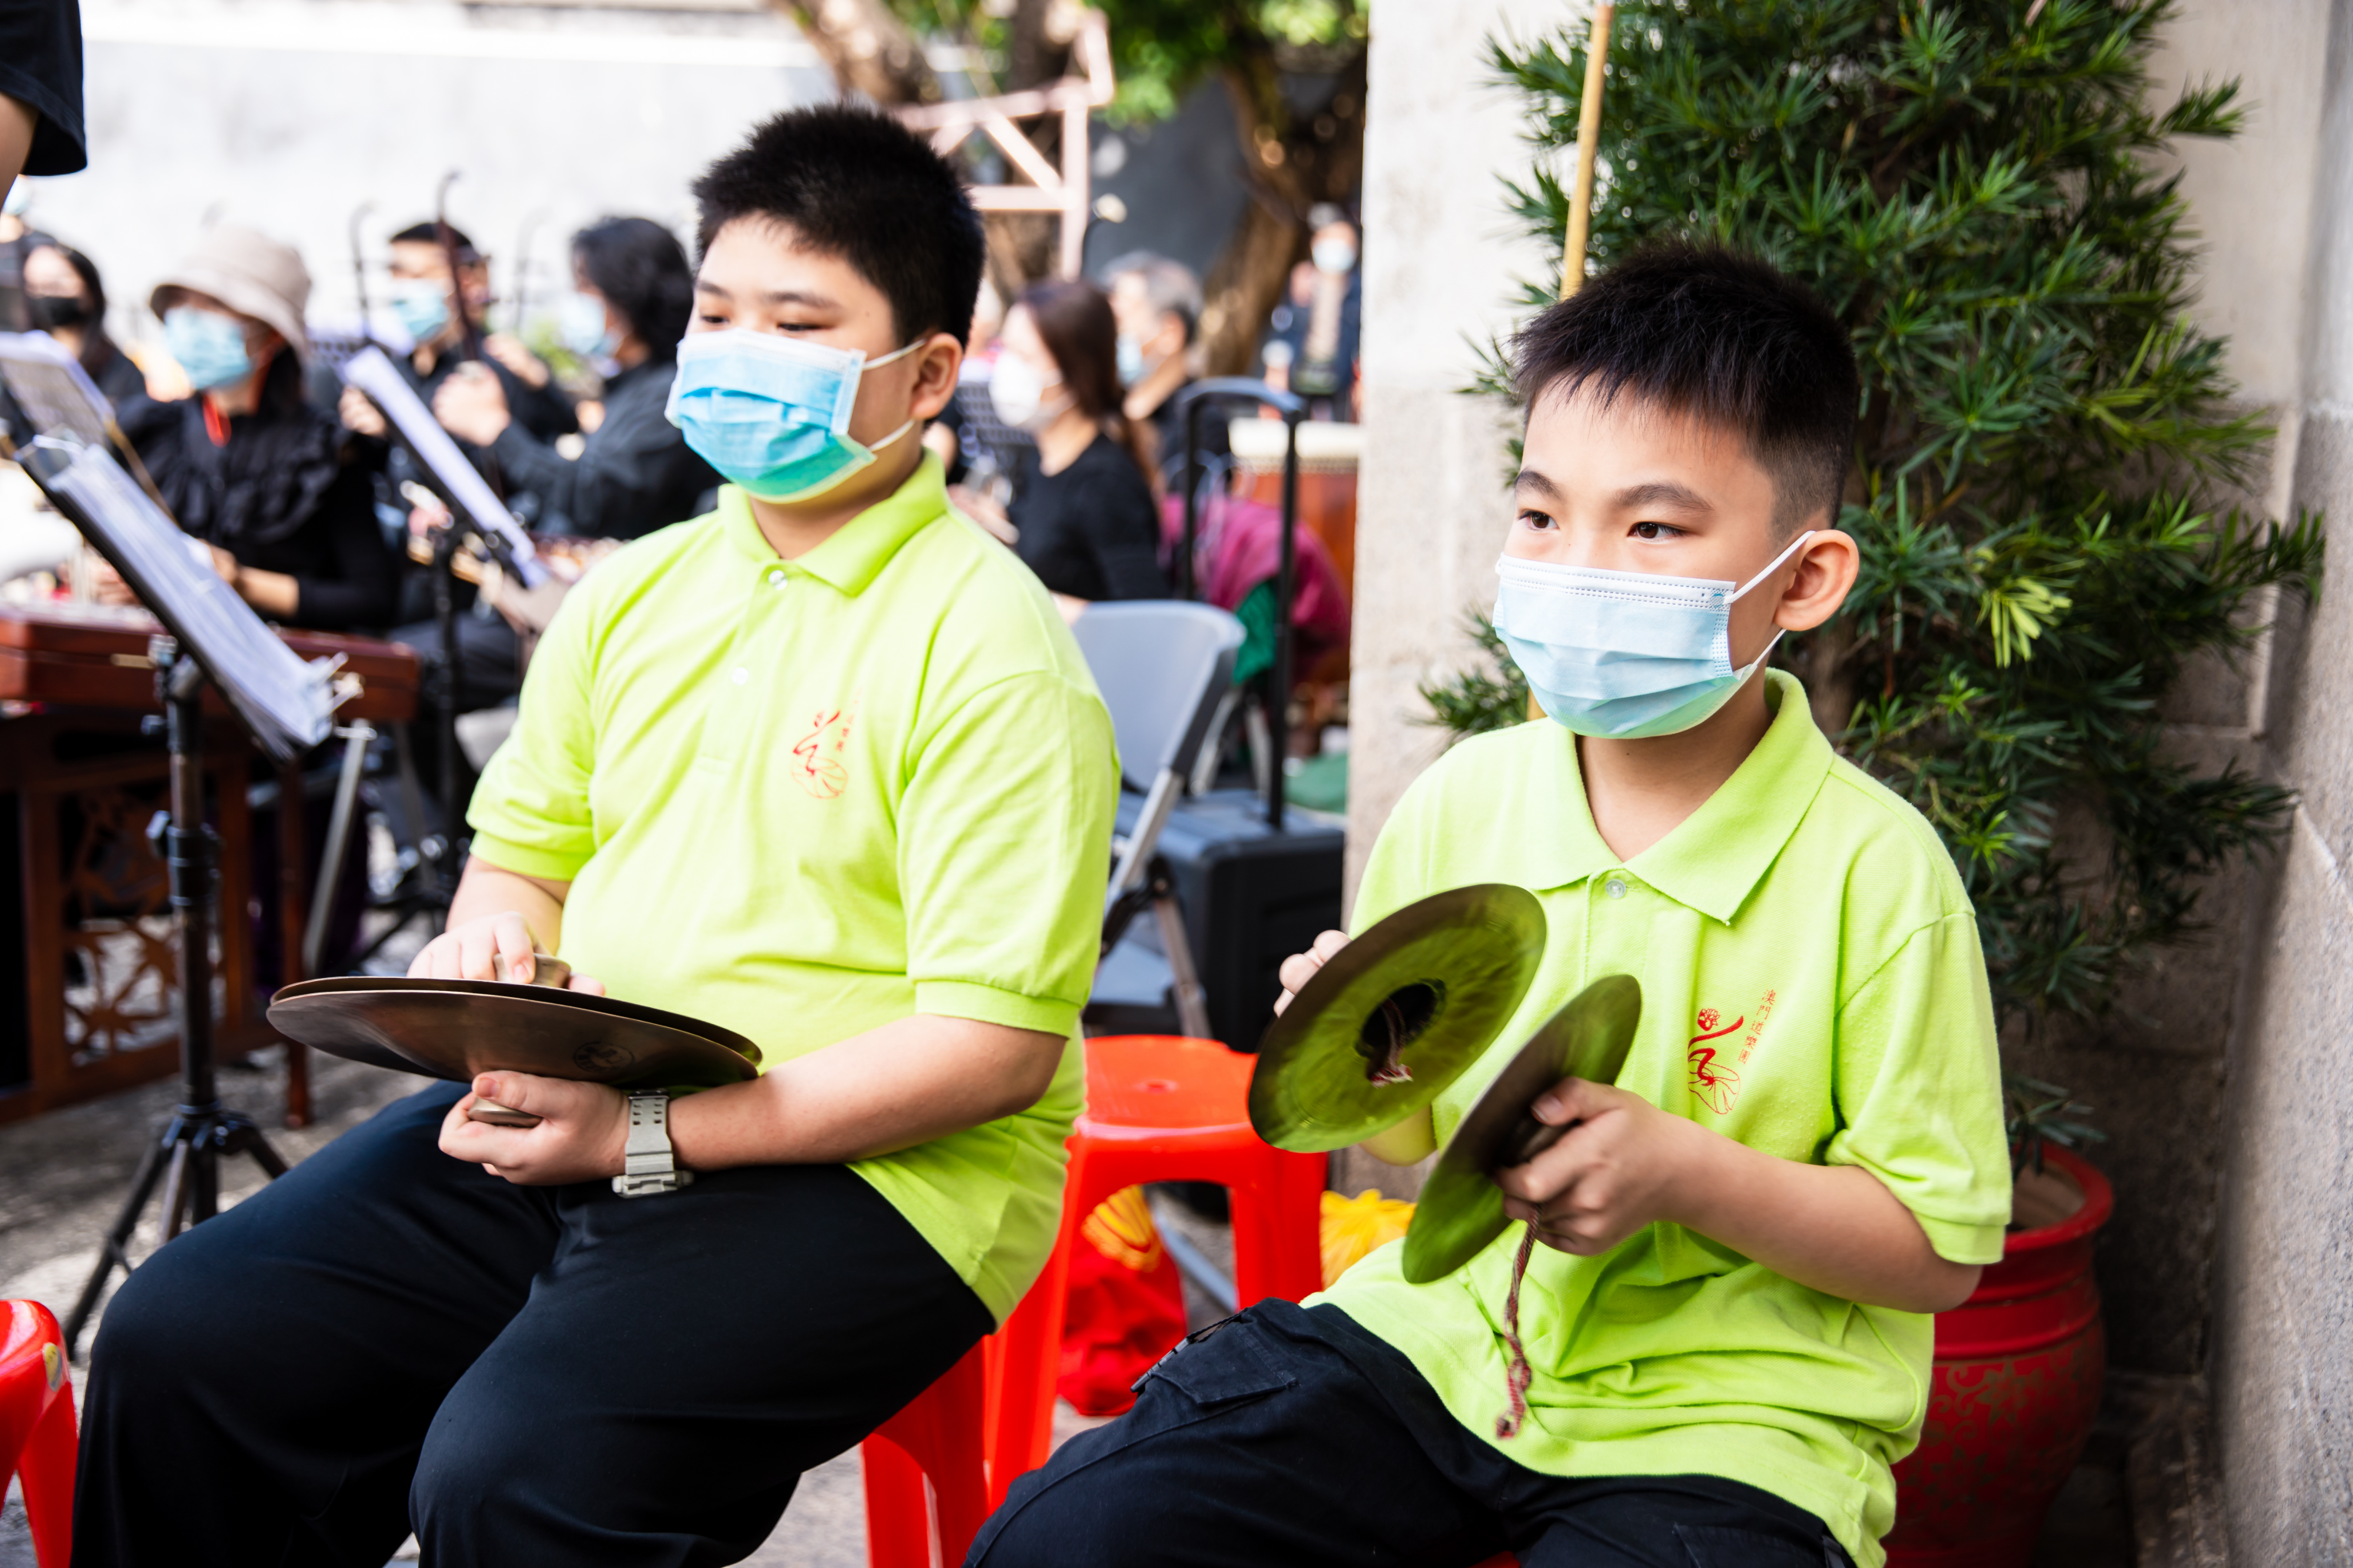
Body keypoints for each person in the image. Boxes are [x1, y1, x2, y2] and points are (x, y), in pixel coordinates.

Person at [75, 104, 1117, 1567]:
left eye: (797, 323)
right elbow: (525, 849)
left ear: (928, 373)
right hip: (586, 1110)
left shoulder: (989, 645)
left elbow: (987, 1050)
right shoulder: (636, 591)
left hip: (878, 1177)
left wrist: (641, 1136)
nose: (737, 350)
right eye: (717, 313)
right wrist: (494, 937)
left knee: (515, 1470)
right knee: (187, 1337)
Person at [970, 247, 2010, 1568]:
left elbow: (1936, 1252)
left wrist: (1687, 1172)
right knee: (1070, 1536)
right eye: (1539, 515)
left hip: (1737, 1424)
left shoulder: (1881, 874)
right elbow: (1404, 1136)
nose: (1577, 565)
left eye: (1652, 528)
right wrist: (1358, 1038)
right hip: (1439, 1344)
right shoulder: (1464, 803)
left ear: (1802, 581)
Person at [115, 224, 397, 632]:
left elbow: (372, 600)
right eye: (182, 302)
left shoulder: (323, 452)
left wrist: (242, 582)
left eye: (214, 304)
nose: (191, 320)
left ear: (272, 333)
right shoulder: (151, 430)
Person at [430, 215, 715, 539]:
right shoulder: (630, 384)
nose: (575, 300)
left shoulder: (670, 394)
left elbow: (591, 500)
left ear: (630, 295)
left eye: (585, 286)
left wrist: (495, 429)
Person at [986, 278, 1167, 615]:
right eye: (1004, 349)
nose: (1006, 368)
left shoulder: (1104, 483)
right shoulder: (1038, 457)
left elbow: (1145, 617)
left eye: (1024, 356)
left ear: (1074, 371)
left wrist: (1042, 606)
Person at [1103, 250, 1223, 491]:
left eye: (1119, 320)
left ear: (1171, 333)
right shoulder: (1103, 413)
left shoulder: (1201, 426)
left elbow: (1178, 521)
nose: (1108, 335)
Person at [1262, 203, 1362, 419]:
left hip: (1339, 379)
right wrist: (1276, 367)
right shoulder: (1302, 284)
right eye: (1328, 240)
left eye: (1341, 241)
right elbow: (1283, 327)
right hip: (1302, 375)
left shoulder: (1358, 291)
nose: (1334, 248)